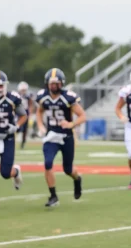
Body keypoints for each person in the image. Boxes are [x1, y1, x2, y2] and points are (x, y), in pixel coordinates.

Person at [36, 68, 86, 207]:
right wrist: (40, 126)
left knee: (68, 169)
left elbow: (82, 116)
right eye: (51, 83)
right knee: (48, 163)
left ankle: (77, 179)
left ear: (61, 83)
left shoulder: (68, 97)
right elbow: (39, 112)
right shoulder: (43, 96)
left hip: (66, 137)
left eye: (56, 83)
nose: (53, 86)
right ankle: (53, 196)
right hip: (51, 136)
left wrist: (71, 124)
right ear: (47, 83)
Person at [0, 70, 27, 210]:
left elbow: (23, 116)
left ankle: (16, 171)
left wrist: (16, 126)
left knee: (5, 173)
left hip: (7, 138)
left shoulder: (12, 98)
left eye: (1, 85)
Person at [16, 81, 33, 149]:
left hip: (25, 112)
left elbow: (30, 104)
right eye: (22, 90)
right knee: (17, 127)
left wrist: (30, 113)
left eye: (24, 90)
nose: (23, 91)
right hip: (18, 112)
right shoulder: (16, 95)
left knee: (25, 130)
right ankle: (12, 140)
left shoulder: (28, 96)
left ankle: (23, 143)